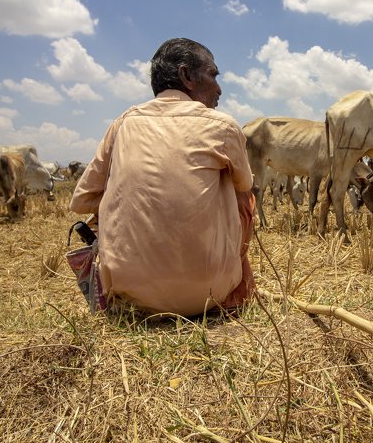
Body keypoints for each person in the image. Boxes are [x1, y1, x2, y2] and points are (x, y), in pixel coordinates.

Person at [69, 38, 256, 316]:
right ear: (187, 76)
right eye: (213, 75)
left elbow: (81, 200)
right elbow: (245, 185)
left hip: (126, 294)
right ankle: (235, 293)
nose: (219, 88)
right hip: (209, 294)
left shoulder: (123, 123)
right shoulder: (223, 125)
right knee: (245, 196)